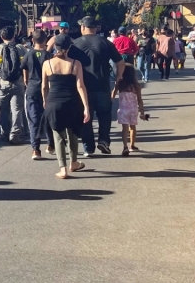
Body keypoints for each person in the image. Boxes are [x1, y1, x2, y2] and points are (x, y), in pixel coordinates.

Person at [71, 16, 125, 156]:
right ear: (96, 28)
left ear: (83, 27)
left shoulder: (75, 44)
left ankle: (88, 148)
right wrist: (118, 77)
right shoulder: (105, 42)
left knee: (86, 117)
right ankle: (104, 141)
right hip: (103, 84)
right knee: (105, 114)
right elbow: (120, 62)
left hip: (83, 86)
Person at [42, 34, 91, 179]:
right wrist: (86, 106)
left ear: (55, 46)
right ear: (69, 47)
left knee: (58, 135)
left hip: (53, 102)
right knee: (73, 133)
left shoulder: (47, 64)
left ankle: (62, 169)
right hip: (72, 102)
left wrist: (45, 101)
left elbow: (44, 86)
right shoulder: (76, 64)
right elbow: (80, 86)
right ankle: (73, 162)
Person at [0, 27, 27, 144]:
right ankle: (15, 133)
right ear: (14, 36)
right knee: (17, 109)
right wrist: (26, 80)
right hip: (18, 82)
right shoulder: (21, 48)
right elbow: (26, 66)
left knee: (3, 109)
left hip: (2, 83)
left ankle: (5, 132)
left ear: (1, 37)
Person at [22, 30, 53, 160]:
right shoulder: (49, 56)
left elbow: (25, 76)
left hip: (32, 89)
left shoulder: (28, 55)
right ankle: (51, 144)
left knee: (34, 120)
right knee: (49, 119)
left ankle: (36, 149)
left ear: (32, 40)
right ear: (45, 40)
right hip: (48, 91)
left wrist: (28, 83)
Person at [113, 64, 146, 155]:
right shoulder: (136, 86)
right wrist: (142, 111)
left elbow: (112, 95)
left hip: (123, 109)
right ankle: (132, 145)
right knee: (132, 127)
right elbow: (139, 100)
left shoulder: (120, 84)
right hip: (133, 109)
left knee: (124, 129)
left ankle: (125, 147)